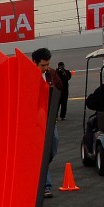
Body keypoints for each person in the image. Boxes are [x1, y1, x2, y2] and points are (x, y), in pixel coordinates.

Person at [31, 48, 62, 198]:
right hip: (35, 120)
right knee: (41, 151)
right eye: (42, 65)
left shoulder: (52, 74)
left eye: (47, 64)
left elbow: (60, 89)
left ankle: (40, 169)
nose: (45, 68)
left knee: (52, 146)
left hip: (50, 118)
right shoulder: (29, 77)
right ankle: (45, 185)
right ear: (34, 63)